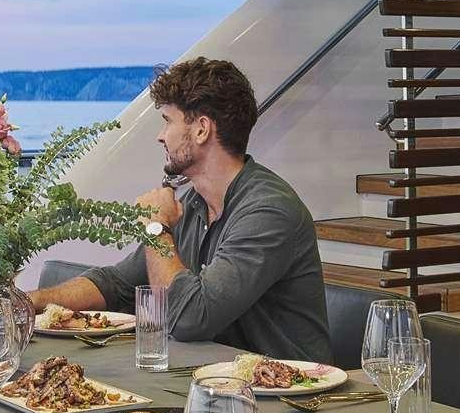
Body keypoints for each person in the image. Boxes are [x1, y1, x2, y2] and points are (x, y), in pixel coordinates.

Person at [33, 57, 330, 361]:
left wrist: (156, 228)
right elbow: (117, 285)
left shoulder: (269, 211)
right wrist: (31, 303)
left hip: (288, 397)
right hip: (215, 383)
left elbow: (189, 319)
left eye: (167, 121)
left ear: (202, 129)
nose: (160, 136)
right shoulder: (192, 202)